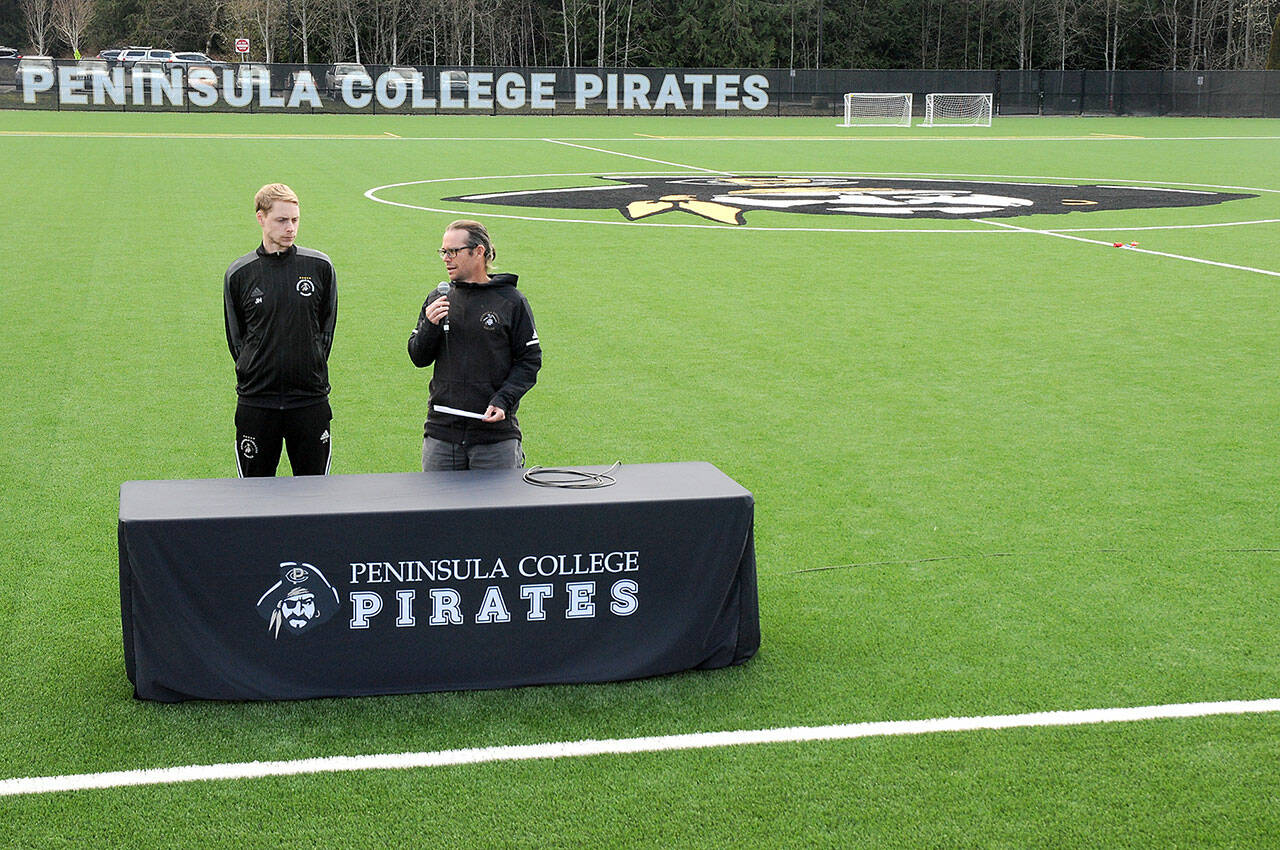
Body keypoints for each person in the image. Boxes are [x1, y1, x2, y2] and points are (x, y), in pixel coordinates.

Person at [224, 183, 338, 477]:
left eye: (295, 220)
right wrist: (258, 366)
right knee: (254, 497)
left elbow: (326, 330)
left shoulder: (319, 266)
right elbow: (236, 339)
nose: (290, 228)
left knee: (315, 496)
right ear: (261, 218)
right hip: (257, 403)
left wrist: (307, 362)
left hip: (309, 401)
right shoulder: (240, 274)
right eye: (282, 220)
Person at [408, 219, 541, 470]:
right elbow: (418, 357)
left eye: (453, 251)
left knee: (496, 510)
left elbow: (529, 361)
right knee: (438, 509)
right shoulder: (438, 298)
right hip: (441, 434)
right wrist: (429, 325)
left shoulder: (510, 301)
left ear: (478, 251)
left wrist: (504, 400)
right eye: (443, 252)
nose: (446, 258)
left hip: (494, 438)